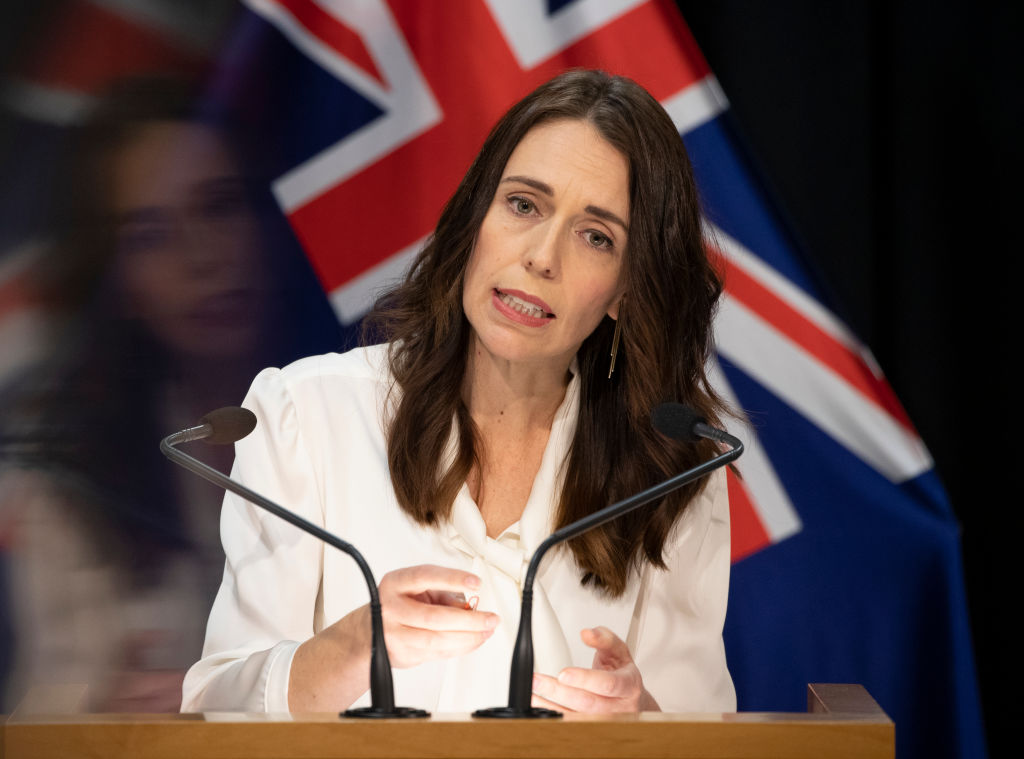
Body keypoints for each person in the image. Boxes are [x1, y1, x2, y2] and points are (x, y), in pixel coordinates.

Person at [182, 69, 735, 715]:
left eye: (596, 236)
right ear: (476, 216)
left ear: (625, 290)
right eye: (524, 205)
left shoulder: (672, 469)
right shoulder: (307, 415)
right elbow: (213, 711)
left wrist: (639, 722)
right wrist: (351, 646)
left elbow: (702, 732)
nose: (542, 256)